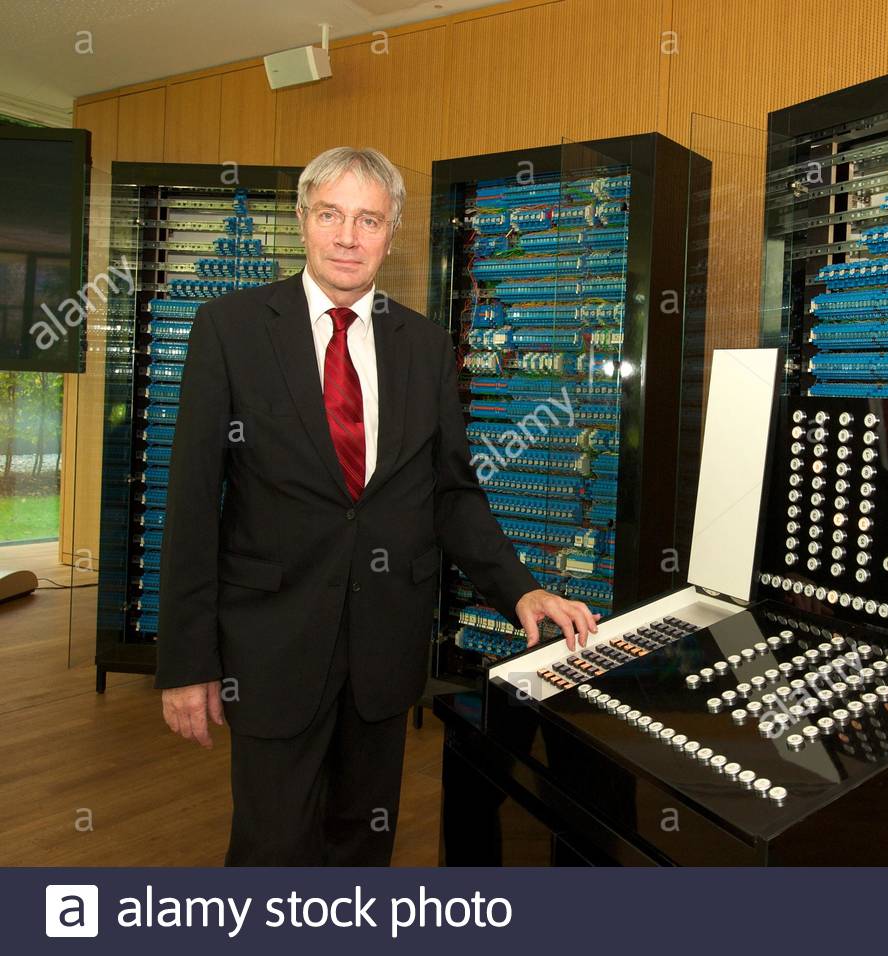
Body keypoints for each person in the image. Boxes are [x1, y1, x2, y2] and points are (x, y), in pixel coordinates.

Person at [155, 146, 598, 865]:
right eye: (331, 214)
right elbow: (193, 506)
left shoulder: (422, 345)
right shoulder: (229, 329)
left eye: (369, 219)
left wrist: (521, 588)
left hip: (384, 652)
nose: (347, 237)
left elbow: (451, 492)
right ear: (303, 221)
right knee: (271, 849)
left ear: (391, 235)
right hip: (269, 648)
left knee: (364, 847)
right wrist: (185, 663)